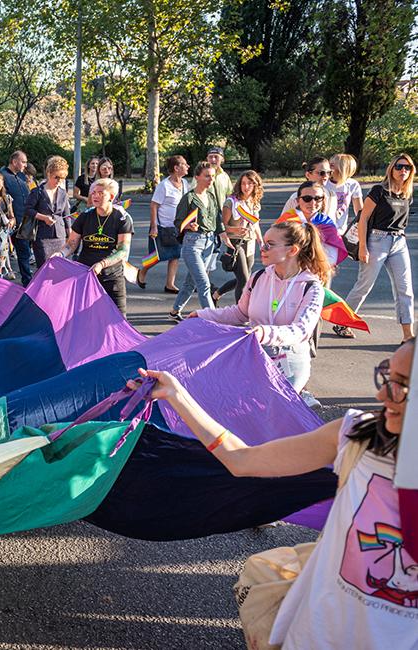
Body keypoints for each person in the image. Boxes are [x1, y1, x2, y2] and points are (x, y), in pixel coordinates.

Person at [131, 338, 418, 650]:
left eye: (402, 386)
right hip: (314, 635)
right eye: (387, 376)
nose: (381, 394)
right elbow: (242, 460)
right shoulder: (356, 436)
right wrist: (176, 394)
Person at [192, 220, 328, 396]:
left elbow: (300, 330)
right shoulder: (258, 277)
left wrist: (265, 333)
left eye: (270, 245)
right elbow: (240, 313)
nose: (262, 248)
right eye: (263, 243)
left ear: (292, 250)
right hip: (254, 357)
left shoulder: (311, 287)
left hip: (290, 364)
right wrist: (204, 315)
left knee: (273, 414)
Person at [336, 153, 415, 342]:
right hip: (376, 240)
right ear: (391, 169)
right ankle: (342, 322)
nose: (403, 170)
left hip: (399, 242)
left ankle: (408, 336)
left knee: (405, 289)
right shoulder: (379, 190)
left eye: (408, 168)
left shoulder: (407, 193)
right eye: (399, 167)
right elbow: (363, 218)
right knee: (364, 286)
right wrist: (363, 246)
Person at [54, 178, 134, 313]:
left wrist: (101, 264)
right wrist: (60, 254)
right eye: (94, 192)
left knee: (118, 320)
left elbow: (123, 250)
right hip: (85, 274)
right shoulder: (85, 216)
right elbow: (71, 244)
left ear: (111, 197)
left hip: (112, 277)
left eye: (101, 193)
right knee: (82, 317)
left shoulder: (122, 218)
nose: (95, 196)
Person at [169, 161, 222, 321]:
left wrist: (225, 237)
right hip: (193, 243)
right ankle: (213, 319)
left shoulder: (211, 197)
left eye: (212, 176)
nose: (210, 179)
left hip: (209, 242)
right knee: (204, 283)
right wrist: (188, 226)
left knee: (190, 283)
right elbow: (177, 222)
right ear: (197, 177)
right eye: (207, 176)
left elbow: (217, 221)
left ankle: (174, 311)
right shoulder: (189, 198)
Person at [211, 170, 264, 305]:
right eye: (244, 183)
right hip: (234, 242)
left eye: (250, 184)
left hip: (249, 242)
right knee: (244, 279)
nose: (246, 187)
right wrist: (236, 229)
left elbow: (255, 223)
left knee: (244, 278)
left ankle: (216, 294)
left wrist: (261, 241)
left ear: (256, 186)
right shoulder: (231, 202)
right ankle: (240, 311)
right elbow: (222, 226)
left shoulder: (254, 202)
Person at [138, 155, 187, 293]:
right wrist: (154, 226)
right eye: (184, 164)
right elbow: (154, 205)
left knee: (175, 255)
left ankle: (169, 284)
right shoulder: (164, 185)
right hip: (162, 227)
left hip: (177, 227)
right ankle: (142, 272)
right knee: (157, 256)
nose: (187, 166)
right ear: (176, 168)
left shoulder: (185, 184)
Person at [24, 155, 71, 271]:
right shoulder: (37, 192)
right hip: (42, 235)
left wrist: (69, 233)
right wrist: (43, 217)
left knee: (59, 268)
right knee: (44, 268)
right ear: (49, 173)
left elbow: (66, 215)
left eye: (62, 178)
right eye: (56, 177)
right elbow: (28, 210)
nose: (59, 181)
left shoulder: (63, 193)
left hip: (60, 236)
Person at [0, 151, 33, 284]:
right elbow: (1, 200)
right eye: (23, 162)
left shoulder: (21, 176)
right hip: (9, 224)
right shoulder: (2, 176)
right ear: (14, 162)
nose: (26, 165)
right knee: (2, 255)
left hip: (24, 222)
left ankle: (27, 282)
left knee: (24, 252)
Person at [328, 153, 364, 234]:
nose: (329, 168)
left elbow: (359, 211)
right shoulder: (324, 183)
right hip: (322, 229)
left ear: (343, 168)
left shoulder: (352, 184)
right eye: (329, 164)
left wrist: (361, 227)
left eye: (332, 165)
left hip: (341, 231)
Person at [206, 146, 234, 212]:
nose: (213, 160)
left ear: (222, 159)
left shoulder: (225, 176)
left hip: (221, 214)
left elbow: (230, 196)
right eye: (210, 157)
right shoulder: (200, 175)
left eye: (216, 157)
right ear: (207, 159)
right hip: (206, 215)